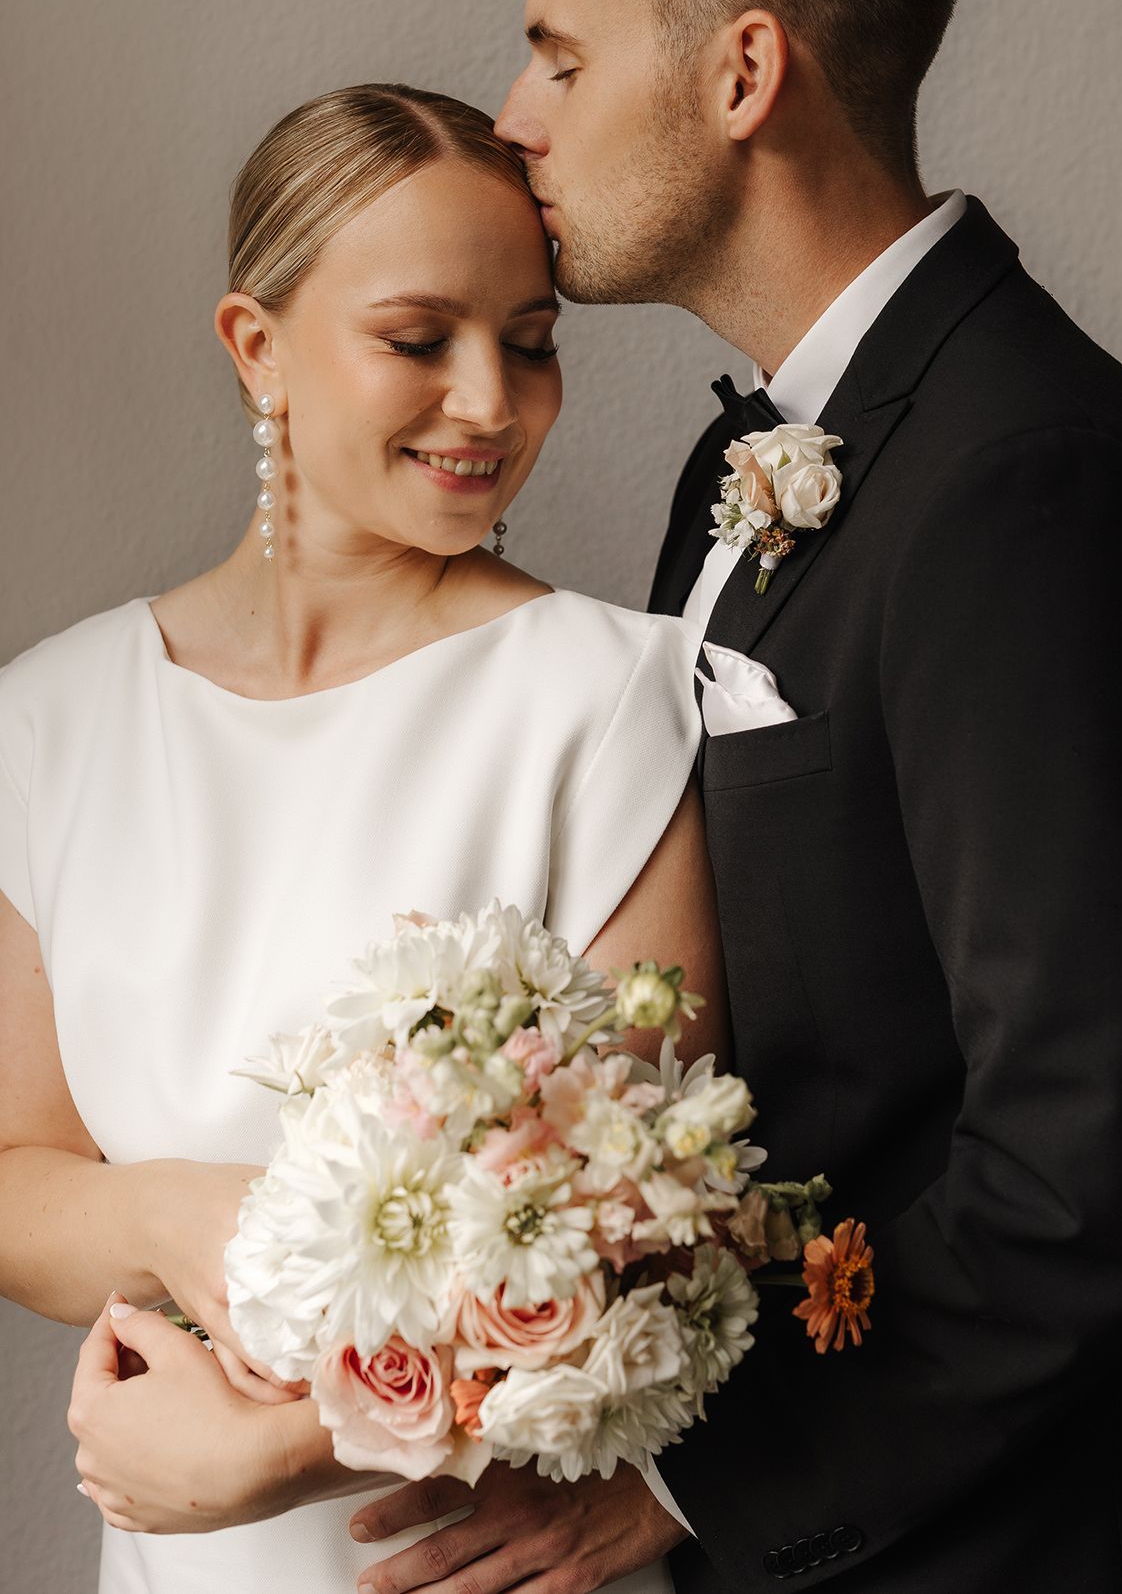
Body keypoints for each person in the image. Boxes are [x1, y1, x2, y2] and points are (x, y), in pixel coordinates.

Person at [348, 0, 1122, 1592]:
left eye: (562, 57)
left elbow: (1094, 1159)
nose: (517, 116)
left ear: (746, 72)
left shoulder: (1022, 472)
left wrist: (683, 1492)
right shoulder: (757, 449)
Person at [0, 82, 726, 1594]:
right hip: (170, 1556)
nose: (490, 402)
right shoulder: (50, 720)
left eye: (530, 344)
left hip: (484, 1561)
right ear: (254, 348)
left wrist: (281, 1448)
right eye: (420, 339)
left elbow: (653, 1216)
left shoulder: (606, 696)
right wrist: (169, 1212)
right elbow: (16, 1172)